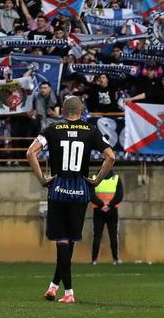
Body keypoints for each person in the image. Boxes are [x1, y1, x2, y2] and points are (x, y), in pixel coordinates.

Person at [26, 96, 116, 304]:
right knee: (69, 238)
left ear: (63, 111)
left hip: (58, 189)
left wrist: (42, 179)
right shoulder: (90, 130)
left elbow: (30, 152)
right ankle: (54, 286)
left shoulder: (52, 129)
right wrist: (97, 180)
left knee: (62, 240)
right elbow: (110, 156)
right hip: (80, 191)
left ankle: (69, 293)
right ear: (82, 109)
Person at [91, 170, 124, 265]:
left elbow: (91, 195)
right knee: (113, 235)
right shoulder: (116, 178)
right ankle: (115, 259)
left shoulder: (94, 178)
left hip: (98, 210)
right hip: (112, 210)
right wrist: (109, 205)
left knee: (97, 235)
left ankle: (94, 260)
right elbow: (119, 195)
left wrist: (101, 205)